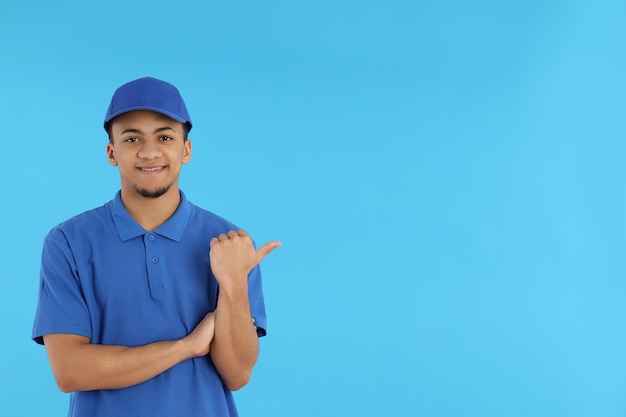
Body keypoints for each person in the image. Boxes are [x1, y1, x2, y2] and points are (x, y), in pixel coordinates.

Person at [32, 77, 280, 417]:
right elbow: (70, 370)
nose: (149, 152)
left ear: (186, 150)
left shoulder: (230, 243)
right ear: (111, 152)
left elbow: (237, 374)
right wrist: (185, 347)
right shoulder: (68, 243)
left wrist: (234, 283)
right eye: (132, 138)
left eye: (165, 137)